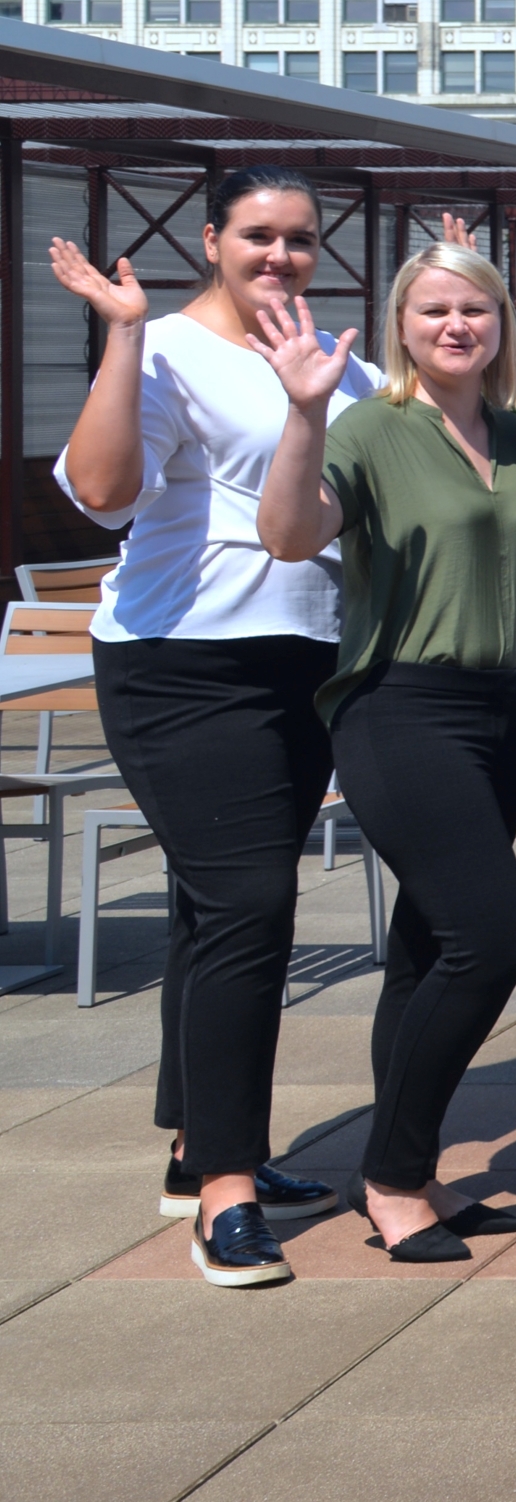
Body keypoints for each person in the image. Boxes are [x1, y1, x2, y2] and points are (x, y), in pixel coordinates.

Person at [48, 171, 360, 1287]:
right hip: (180, 665)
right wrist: (123, 337)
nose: (279, 255)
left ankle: (199, 1146)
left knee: (213, 908)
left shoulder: (336, 358)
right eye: (258, 235)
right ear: (211, 237)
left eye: (298, 238)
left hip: (301, 662)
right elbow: (102, 488)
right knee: (249, 906)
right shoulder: (168, 347)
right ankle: (225, 1192)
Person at [251, 241, 516, 1263]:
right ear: (401, 325)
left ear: (503, 322)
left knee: (424, 954)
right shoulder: (371, 426)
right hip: (397, 707)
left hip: (497, 711)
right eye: (434, 310)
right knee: (493, 937)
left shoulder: (510, 431)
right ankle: (389, 1169)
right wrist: (301, 412)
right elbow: (290, 533)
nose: (457, 324)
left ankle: (406, 1174)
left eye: (476, 307)